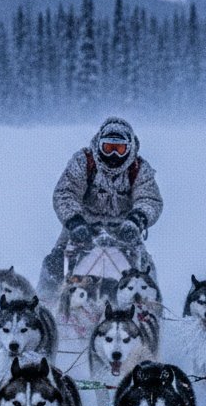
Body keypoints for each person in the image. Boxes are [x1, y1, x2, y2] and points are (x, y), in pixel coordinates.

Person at [38, 117, 162, 301]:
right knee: (54, 262)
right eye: (108, 148)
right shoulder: (83, 161)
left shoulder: (139, 168)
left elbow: (149, 199)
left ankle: (150, 308)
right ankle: (45, 304)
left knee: (145, 267)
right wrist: (74, 221)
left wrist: (137, 220)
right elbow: (65, 193)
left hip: (124, 229)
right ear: (99, 145)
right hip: (83, 226)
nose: (113, 155)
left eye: (119, 149)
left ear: (129, 149)